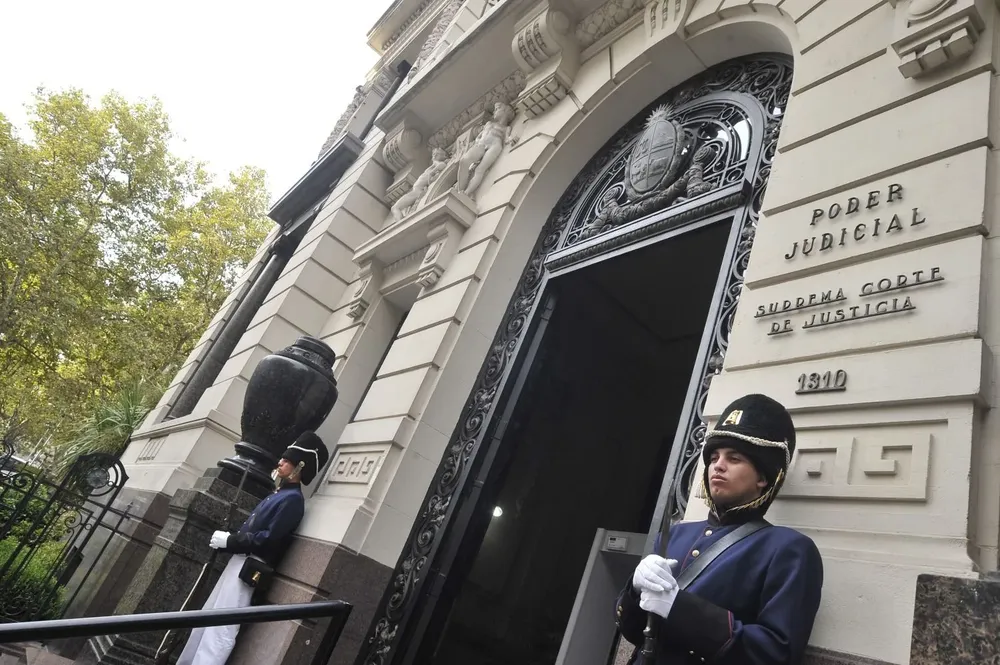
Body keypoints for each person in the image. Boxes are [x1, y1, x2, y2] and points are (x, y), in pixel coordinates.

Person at [615, 394, 823, 664]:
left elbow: (776, 653)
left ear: (763, 477)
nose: (718, 465)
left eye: (734, 458)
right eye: (714, 457)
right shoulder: (676, 534)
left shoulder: (789, 549)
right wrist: (633, 590)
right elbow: (635, 633)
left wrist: (680, 610)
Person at [177, 432, 329, 665]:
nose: (280, 462)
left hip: (250, 567)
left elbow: (268, 539)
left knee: (221, 630)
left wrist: (231, 541)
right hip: (239, 561)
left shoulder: (293, 501)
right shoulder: (279, 494)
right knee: (208, 619)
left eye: (287, 460)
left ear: (300, 466)